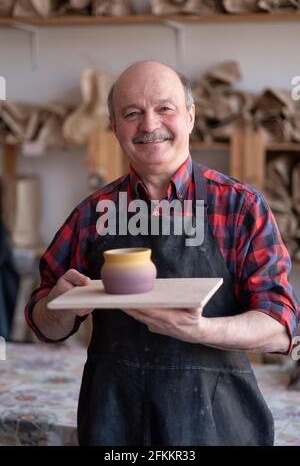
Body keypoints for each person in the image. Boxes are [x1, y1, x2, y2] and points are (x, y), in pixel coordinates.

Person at [25, 60, 299, 446]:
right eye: (132, 113)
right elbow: (42, 323)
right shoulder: (92, 214)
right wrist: (59, 306)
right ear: (114, 126)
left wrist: (203, 331)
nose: (149, 125)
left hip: (217, 426)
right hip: (115, 423)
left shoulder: (240, 207)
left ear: (189, 117)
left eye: (164, 109)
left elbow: (280, 324)